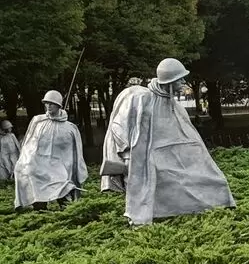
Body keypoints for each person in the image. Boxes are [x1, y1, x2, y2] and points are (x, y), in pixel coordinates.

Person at [100, 58, 236, 226]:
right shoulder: (140, 98)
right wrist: (126, 155)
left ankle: (209, 207)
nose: (183, 82)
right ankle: (141, 224)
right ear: (169, 80)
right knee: (144, 191)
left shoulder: (174, 105)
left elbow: (189, 137)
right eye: (179, 79)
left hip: (170, 158)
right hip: (142, 159)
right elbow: (118, 126)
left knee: (212, 179)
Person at [14, 90, 87, 210]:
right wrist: (25, 161)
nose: (48, 106)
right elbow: (29, 143)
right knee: (35, 186)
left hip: (59, 166)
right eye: (46, 103)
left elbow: (75, 152)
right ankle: (40, 212)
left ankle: (68, 214)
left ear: (59, 105)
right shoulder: (38, 122)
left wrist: (73, 168)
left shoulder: (70, 128)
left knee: (63, 187)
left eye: (51, 103)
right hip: (39, 165)